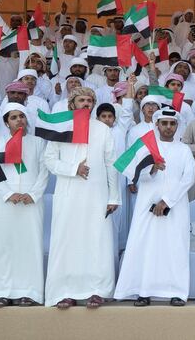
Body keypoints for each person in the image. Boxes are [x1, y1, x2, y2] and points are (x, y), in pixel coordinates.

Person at [43, 87, 120, 309]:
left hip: (96, 195)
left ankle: (96, 291)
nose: (85, 103)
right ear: (72, 103)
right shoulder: (61, 127)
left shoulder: (102, 129)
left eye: (89, 100)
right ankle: (65, 292)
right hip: (68, 193)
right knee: (68, 240)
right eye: (81, 100)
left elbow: (111, 164)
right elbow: (49, 159)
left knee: (96, 240)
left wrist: (114, 197)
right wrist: (72, 169)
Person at [115, 109, 195, 307]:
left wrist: (167, 201)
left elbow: (188, 179)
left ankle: (177, 292)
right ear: (157, 125)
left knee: (175, 247)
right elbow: (133, 173)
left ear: (177, 126)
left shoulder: (183, 149)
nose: (168, 127)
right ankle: (143, 291)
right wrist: (151, 168)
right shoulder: (146, 147)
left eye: (172, 124)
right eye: (164, 123)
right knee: (145, 245)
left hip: (176, 206)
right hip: (146, 204)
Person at [0, 104, 49, 306]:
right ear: (6, 123)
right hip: (3, 203)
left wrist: (33, 194)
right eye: (14, 117)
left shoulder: (38, 142)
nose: (19, 120)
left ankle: (29, 292)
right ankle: (0, 291)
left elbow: (44, 170)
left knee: (28, 245)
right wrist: (8, 193)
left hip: (31, 202)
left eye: (22, 116)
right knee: (2, 245)